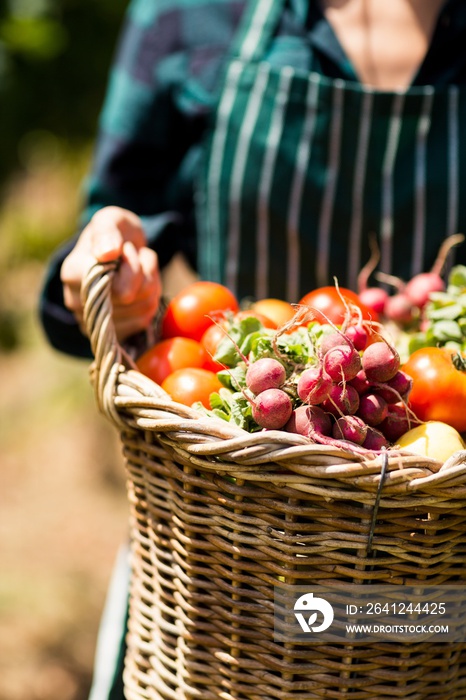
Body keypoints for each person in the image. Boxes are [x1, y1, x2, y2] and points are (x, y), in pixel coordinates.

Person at [39, 1, 466, 697]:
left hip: (431, 584)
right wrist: (111, 275)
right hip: (221, 569)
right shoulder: (194, 11)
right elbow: (105, 237)